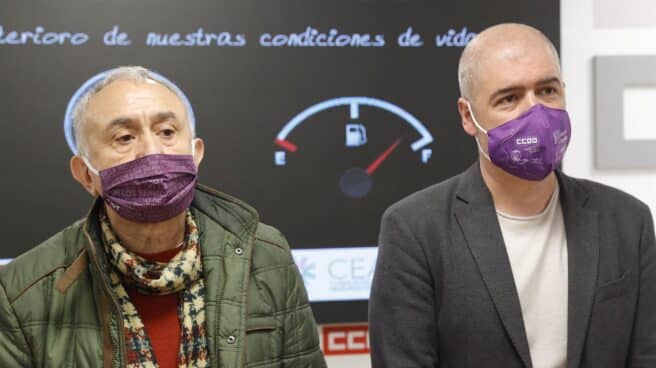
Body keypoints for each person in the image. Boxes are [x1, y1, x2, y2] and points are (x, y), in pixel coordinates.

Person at [369, 23, 656, 368]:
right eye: (509, 98)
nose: (534, 113)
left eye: (547, 91)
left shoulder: (627, 220)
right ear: (467, 116)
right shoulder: (415, 230)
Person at [0, 66, 326, 367]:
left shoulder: (267, 256)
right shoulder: (21, 296)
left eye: (167, 132)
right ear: (85, 174)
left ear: (196, 154)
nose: (152, 152)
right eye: (125, 137)